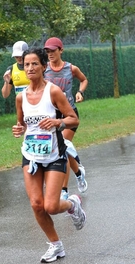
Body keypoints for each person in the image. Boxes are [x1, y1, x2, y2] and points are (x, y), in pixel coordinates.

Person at [12, 48, 86, 263]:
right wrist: (19, 129)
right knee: (36, 204)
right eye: (26, 64)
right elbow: (23, 124)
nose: (30, 68)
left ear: (44, 66)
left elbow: (74, 119)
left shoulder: (53, 92)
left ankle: (72, 204)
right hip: (31, 156)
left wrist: (57, 122)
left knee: (51, 207)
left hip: (54, 155)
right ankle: (55, 245)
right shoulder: (20, 97)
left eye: (35, 64)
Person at [43, 37, 88, 200]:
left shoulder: (71, 68)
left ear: (61, 50)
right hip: (51, 115)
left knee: (62, 148)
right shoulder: (44, 69)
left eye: (53, 51)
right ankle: (78, 172)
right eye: (47, 51)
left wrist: (80, 92)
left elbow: (83, 80)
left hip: (69, 114)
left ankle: (63, 190)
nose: (50, 54)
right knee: (63, 150)